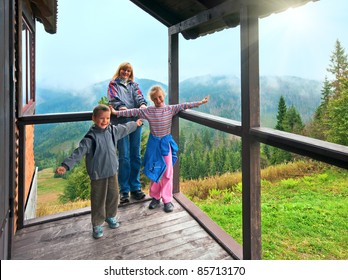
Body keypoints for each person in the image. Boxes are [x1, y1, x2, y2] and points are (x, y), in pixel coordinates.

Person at [110, 85, 209, 213]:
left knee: (167, 172)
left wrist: (200, 102)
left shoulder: (170, 109)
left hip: (165, 145)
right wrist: (116, 113)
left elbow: (184, 105)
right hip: (153, 145)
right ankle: (155, 197)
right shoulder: (149, 111)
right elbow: (132, 111)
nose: (158, 100)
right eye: (155, 99)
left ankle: (167, 199)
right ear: (152, 100)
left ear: (164, 95)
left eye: (160, 97)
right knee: (155, 170)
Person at [56, 104, 143, 239]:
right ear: (94, 118)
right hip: (98, 174)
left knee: (114, 196)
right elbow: (78, 153)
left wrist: (136, 124)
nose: (105, 121)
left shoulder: (113, 130)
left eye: (107, 118)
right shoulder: (90, 138)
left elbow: (125, 128)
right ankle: (97, 224)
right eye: (101, 118)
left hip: (112, 171)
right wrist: (66, 165)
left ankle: (111, 216)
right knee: (98, 199)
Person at [107, 62, 147, 203]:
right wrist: (122, 107)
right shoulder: (113, 84)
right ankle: (124, 191)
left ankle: (135, 188)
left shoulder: (134, 85)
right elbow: (114, 99)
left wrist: (142, 105)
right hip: (121, 123)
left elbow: (139, 97)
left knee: (135, 155)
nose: (126, 72)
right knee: (124, 156)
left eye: (128, 71)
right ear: (120, 70)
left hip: (136, 121)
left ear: (131, 73)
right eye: (124, 70)